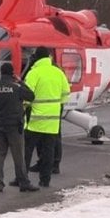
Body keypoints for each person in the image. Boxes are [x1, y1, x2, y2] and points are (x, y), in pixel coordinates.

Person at [0, 63, 39, 193]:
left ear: (1, 73)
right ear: (12, 74)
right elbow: (31, 96)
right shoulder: (16, 87)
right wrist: (21, 81)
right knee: (18, 156)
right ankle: (23, 182)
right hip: (14, 126)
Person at [20, 47, 70, 188]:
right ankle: (45, 180)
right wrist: (57, 105)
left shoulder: (34, 72)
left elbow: (27, 94)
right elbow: (66, 93)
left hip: (35, 120)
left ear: (36, 58)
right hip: (52, 121)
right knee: (49, 151)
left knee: (27, 150)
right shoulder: (58, 72)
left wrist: (25, 107)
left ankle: (23, 178)